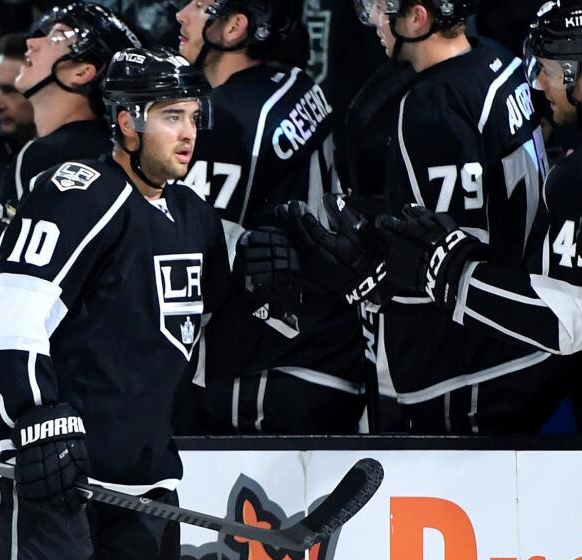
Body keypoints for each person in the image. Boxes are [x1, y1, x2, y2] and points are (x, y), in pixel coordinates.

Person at [0, 45, 299, 559]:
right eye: (171, 116)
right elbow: (6, 319)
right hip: (51, 476)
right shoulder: (78, 193)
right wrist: (38, 418)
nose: (189, 133)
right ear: (127, 121)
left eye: (193, 116)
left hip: (144, 486)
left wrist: (267, 298)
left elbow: (203, 357)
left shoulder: (195, 217)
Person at [280, 0, 571, 434]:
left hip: (467, 370)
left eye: (381, 9)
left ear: (417, 17)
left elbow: (448, 255)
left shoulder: (430, 107)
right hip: (525, 343)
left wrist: (368, 268)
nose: (375, 21)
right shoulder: (497, 57)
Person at [0, 3, 142, 421]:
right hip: (102, 390)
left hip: (54, 397)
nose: (34, 42)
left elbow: (19, 287)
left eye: (56, 36)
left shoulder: (49, 158)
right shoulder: (96, 152)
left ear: (82, 72)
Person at [173, 0, 366, 434]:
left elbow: (190, 252)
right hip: (331, 350)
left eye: (199, 6)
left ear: (235, 27)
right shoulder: (300, 84)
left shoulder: (223, 119)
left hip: (269, 372)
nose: (181, 15)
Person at [374, 0, 582, 357]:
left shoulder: (436, 102)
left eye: (548, 68)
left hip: (501, 367)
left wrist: (453, 277)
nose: (539, 82)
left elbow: (570, 322)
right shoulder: (493, 57)